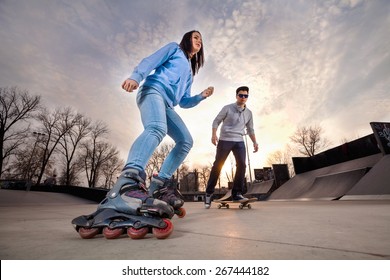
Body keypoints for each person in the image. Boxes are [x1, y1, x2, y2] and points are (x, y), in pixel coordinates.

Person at [120, 30, 214, 212]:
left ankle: (158, 185)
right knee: (156, 128)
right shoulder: (174, 49)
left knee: (186, 141)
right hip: (153, 91)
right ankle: (128, 181)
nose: (199, 41)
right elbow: (152, 60)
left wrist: (200, 96)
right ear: (187, 39)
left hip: (168, 105)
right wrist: (136, 76)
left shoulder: (189, 74)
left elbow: (184, 102)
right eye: (196, 37)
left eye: (201, 39)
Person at [204, 86, 258, 209]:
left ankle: (237, 193)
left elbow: (250, 129)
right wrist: (214, 134)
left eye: (246, 96)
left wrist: (255, 142)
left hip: (239, 141)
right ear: (236, 96)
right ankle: (209, 193)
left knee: (242, 165)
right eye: (241, 95)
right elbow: (216, 121)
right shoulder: (227, 108)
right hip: (225, 140)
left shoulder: (249, 113)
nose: (243, 98)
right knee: (218, 165)